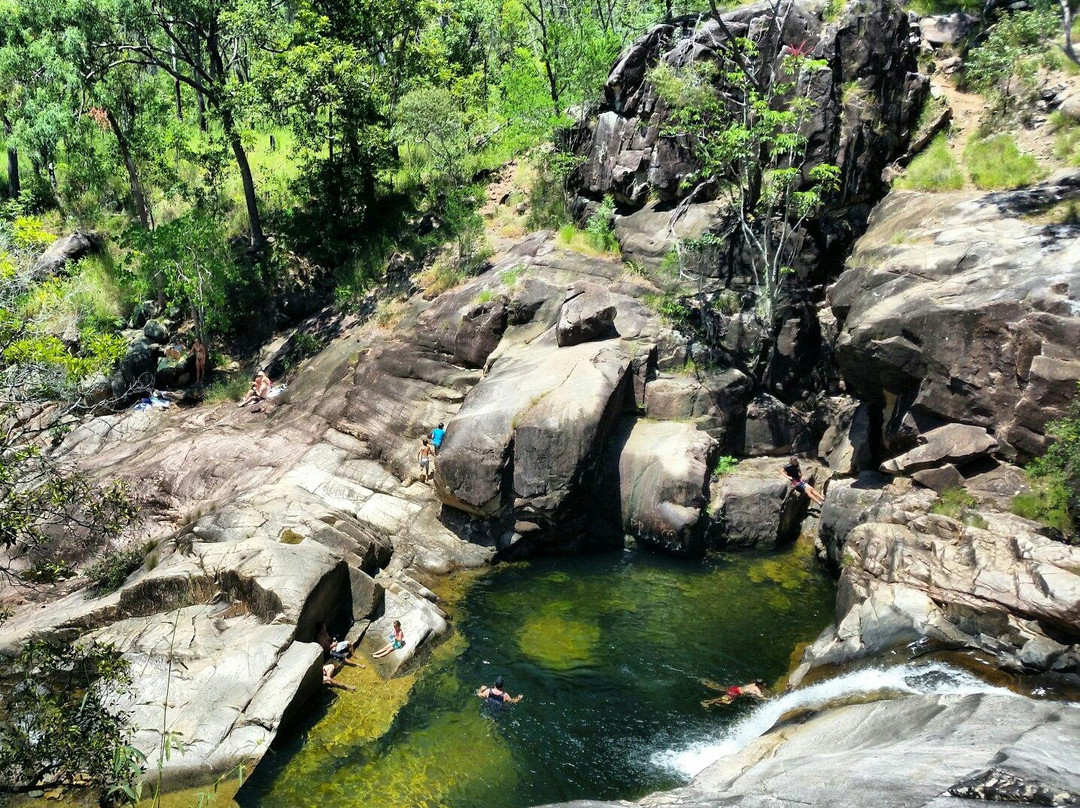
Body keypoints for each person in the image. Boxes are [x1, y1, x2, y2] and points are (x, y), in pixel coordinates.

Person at [701, 678, 768, 708]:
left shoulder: (753, 684)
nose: (764, 685)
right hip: (735, 692)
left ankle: (707, 701)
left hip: (735, 688)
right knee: (727, 702)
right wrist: (766, 699)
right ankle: (707, 703)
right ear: (759, 685)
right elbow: (760, 695)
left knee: (723, 698)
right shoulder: (756, 689)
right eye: (762, 684)